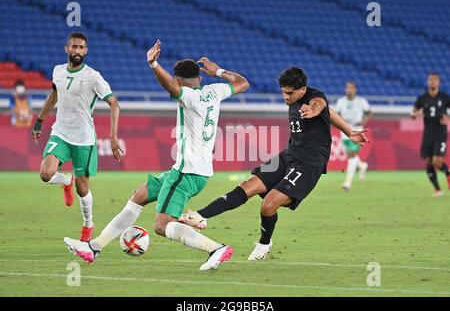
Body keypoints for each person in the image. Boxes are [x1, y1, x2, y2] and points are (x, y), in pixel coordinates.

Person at [63, 40, 250, 270]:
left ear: (179, 80)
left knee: (162, 225)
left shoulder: (188, 97)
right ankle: (94, 247)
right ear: (200, 78)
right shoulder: (214, 92)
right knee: (139, 195)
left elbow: (171, 87)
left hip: (186, 172)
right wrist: (218, 71)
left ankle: (216, 248)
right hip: (191, 170)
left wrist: (153, 64)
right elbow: (242, 83)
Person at [180, 67, 369, 260]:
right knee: (248, 186)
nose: (286, 97)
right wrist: (349, 131)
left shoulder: (314, 98)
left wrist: (313, 110)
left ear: (303, 90)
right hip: (290, 154)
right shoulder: (296, 97)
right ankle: (200, 215)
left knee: (268, 205)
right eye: (283, 92)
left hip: (310, 163)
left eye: (290, 93)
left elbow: (320, 105)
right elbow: (330, 113)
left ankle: (264, 243)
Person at [31, 32, 124, 241]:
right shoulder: (57, 71)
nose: (77, 51)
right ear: (67, 49)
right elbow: (54, 96)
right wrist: (39, 120)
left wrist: (113, 137)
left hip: (83, 139)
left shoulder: (93, 76)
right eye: (74, 47)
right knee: (46, 174)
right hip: (61, 133)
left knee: (82, 190)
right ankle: (65, 180)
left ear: (86, 50)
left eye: (81, 47)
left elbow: (114, 104)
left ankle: (88, 224)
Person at [411, 73, 450, 197]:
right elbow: (414, 112)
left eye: (435, 80)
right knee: (428, 162)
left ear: (439, 82)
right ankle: (438, 190)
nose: (432, 82)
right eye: (430, 80)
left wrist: (448, 118)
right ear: (428, 82)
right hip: (427, 134)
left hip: (441, 133)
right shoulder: (422, 98)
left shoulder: (445, 98)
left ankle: (448, 173)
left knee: (437, 161)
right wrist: (414, 114)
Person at [335, 81, 371, 190]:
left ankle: (347, 183)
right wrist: (340, 121)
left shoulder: (361, 101)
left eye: (351, 88)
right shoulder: (341, 101)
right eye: (347, 88)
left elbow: (369, 113)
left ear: (355, 90)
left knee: (352, 155)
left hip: (357, 132)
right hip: (344, 132)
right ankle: (362, 166)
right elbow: (336, 114)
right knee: (350, 155)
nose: (349, 90)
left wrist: (363, 121)